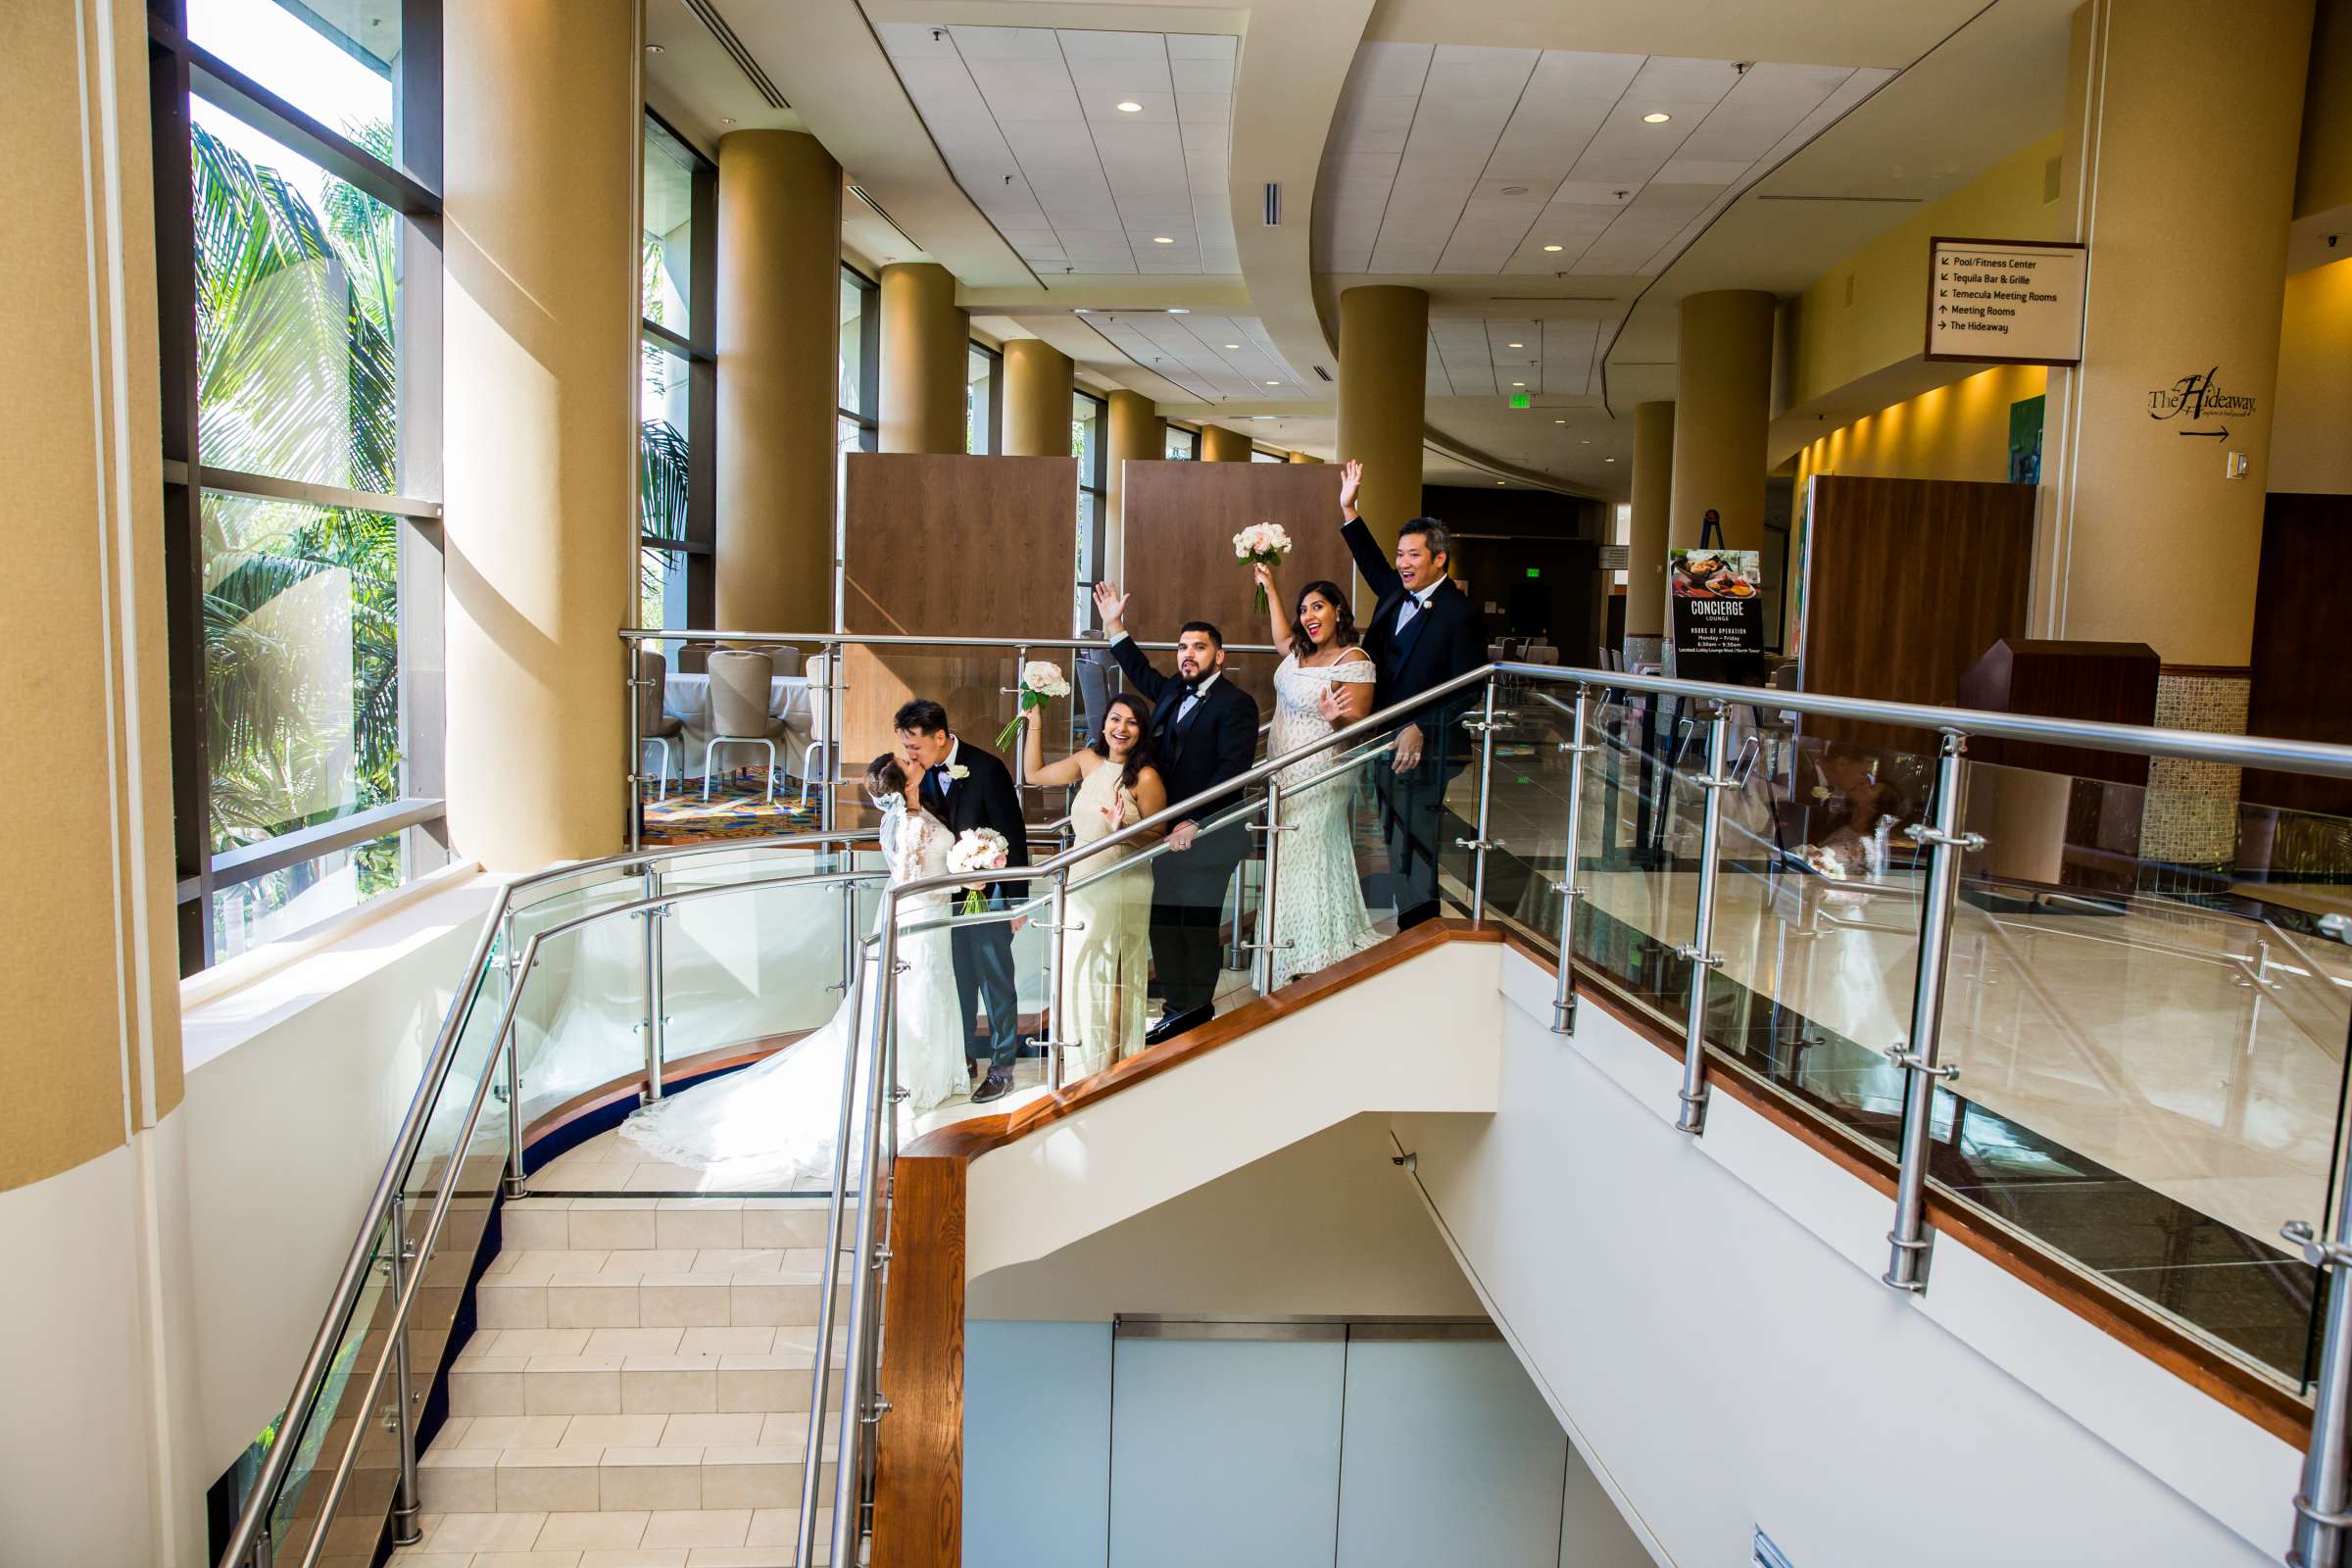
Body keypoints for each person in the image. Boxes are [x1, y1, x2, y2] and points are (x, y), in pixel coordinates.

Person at [615, 755, 966, 1180]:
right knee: (914, 991)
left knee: (926, 990)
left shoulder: (916, 813)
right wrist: (963, 873)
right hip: (919, 916)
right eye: (906, 764)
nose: (914, 761)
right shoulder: (910, 824)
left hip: (930, 915)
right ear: (903, 786)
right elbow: (912, 879)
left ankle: (932, 1073)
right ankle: (912, 1078)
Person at [1092, 582, 1261, 1046]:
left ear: (1219, 657)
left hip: (1210, 835)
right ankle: (1174, 1009)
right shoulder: (1171, 690)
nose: (1188, 654)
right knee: (1163, 922)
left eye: (1199, 647)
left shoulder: (1237, 705)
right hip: (1163, 834)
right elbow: (1140, 672)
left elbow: (1232, 772)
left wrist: (1195, 820)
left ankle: (1196, 1012)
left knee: (1196, 924)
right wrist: (1115, 627)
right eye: (1183, 646)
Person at [1337, 457, 1483, 929]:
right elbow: (1370, 561)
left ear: (1439, 558)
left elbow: (1471, 686)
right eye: (1401, 555)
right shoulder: (1395, 593)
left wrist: (1421, 725)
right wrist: (1349, 508)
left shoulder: (1460, 614)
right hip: (1383, 737)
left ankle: (1419, 927)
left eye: (1413, 555)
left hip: (1429, 746)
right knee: (1393, 834)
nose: (1402, 563)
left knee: (1416, 836)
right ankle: (1413, 924)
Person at [1021, 691, 1166, 1076]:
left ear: (1141, 732)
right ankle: (1084, 1060)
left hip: (1122, 877)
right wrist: (1034, 722)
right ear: (1103, 725)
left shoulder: (1146, 777)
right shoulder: (1088, 761)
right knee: (1081, 967)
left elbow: (1160, 836)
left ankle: (1115, 1064)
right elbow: (1033, 776)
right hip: (1082, 875)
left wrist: (1125, 829)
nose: (1122, 728)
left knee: (1113, 969)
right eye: (1116, 720)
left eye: (1132, 722)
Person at [896, 699, 1030, 1103]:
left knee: (995, 982)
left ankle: (1003, 1066)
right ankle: (964, 1055)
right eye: (905, 746)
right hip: (944, 900)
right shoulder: (917, 777)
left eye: (914, 746)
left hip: (988, 896)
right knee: (958, 980)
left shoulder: (987, 768)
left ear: (940, 737)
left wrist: (1016, 902)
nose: (910, 755)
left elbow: (1014, 835)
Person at [1252, 560, 1380, 977]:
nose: (1309, 616)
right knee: (1286, 855)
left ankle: (1313, 953)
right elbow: (1279, 637)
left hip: (1322, 771)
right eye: (1304, 609)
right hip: (1282, 773)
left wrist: (1334, 716)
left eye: (1318, 607)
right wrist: (1270, 585)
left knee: (1310, 853)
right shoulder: (1298, 652)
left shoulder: (1353, 658)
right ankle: (1286, 953)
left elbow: (1360, 726)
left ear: (1338, 610)